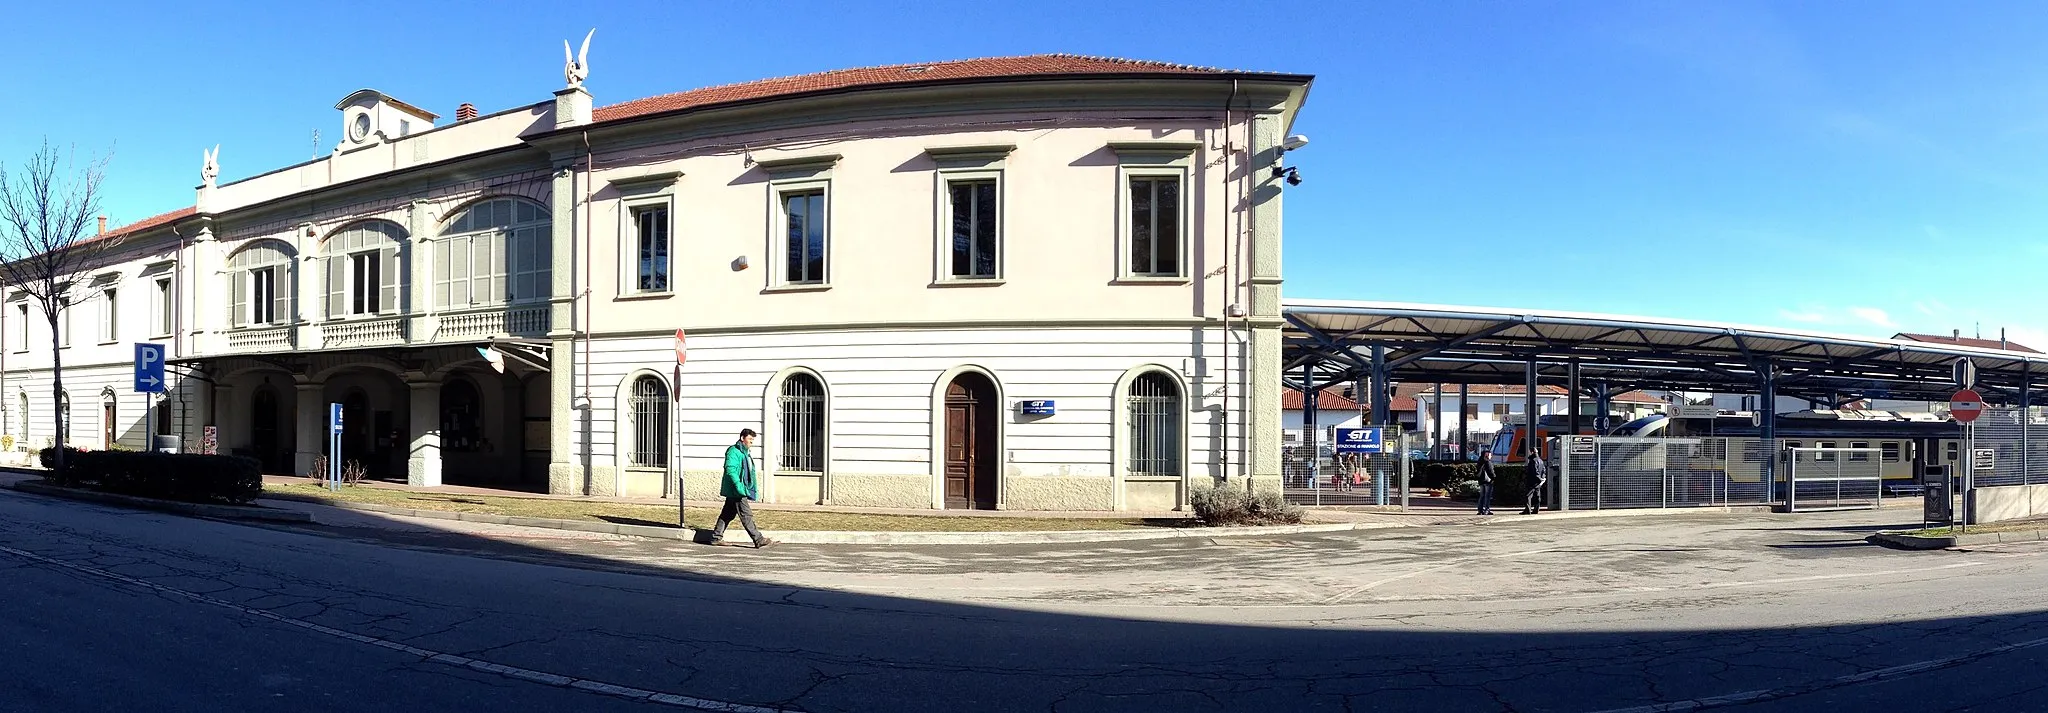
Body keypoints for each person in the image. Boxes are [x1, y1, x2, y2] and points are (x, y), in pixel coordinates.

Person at [710, 429, 776, 548]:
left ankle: (716, 537)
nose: (752, 442)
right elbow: (730, 470)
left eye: (752, 440)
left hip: (738, 489)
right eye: (750, 439)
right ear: (742, 438)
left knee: (727, 514)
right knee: (746, 514)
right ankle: (758, 539)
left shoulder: (744, 452)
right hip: (736, 490)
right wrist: (739, 486)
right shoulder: (733, 451)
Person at [1521, 447, 1549, 515]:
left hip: (1532, 482)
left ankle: (1528, 510)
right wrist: (1542, 479)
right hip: (1538, 483)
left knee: (1527, 496)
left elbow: (1534, 472)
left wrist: (1539, 478)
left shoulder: (1533, 461)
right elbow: (1543, 471)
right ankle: (1536, 510)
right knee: (1537, 496)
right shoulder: (1540, 460)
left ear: (1532, 452)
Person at [1474, 449, 1496, 515]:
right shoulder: (1488, 462)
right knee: (1487, 496)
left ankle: (1480, 510)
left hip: (1481, 480)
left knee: (1482, 495)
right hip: (1488, 480)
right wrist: (1494, 477)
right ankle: (1487, 509)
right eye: (1490, 454)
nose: (1491, 456)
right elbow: (1490, 471)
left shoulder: (1480, 461)